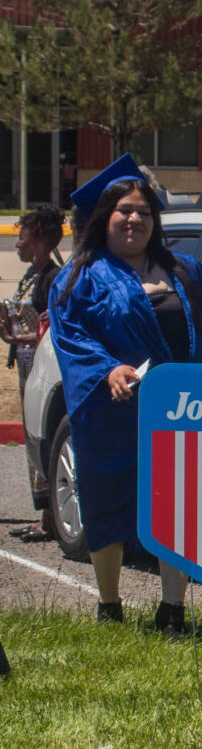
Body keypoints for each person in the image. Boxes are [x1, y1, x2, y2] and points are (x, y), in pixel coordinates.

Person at [51, 158, 202, 633]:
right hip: (114, 408)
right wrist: (108, 368)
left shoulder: (187, 270)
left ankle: (172, 608)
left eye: (144, 212)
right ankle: (109, 603)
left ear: (156, 220)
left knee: (181, 501)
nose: (135, 220)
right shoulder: (80, 276)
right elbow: (71, 337)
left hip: (180, 407)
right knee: (107, 500)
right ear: (104, 218)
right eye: (124, 211)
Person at [4, 203, 64, 543]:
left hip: (39, 366)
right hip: (26, 364)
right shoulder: (33, 276)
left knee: (38, 436)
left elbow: (52, 324)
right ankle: (44, 515)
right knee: (30, 440)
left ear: (38, 236)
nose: (17, 243)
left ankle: (48, 518)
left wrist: (20, 336)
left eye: (22, 235)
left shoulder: (52, 277)